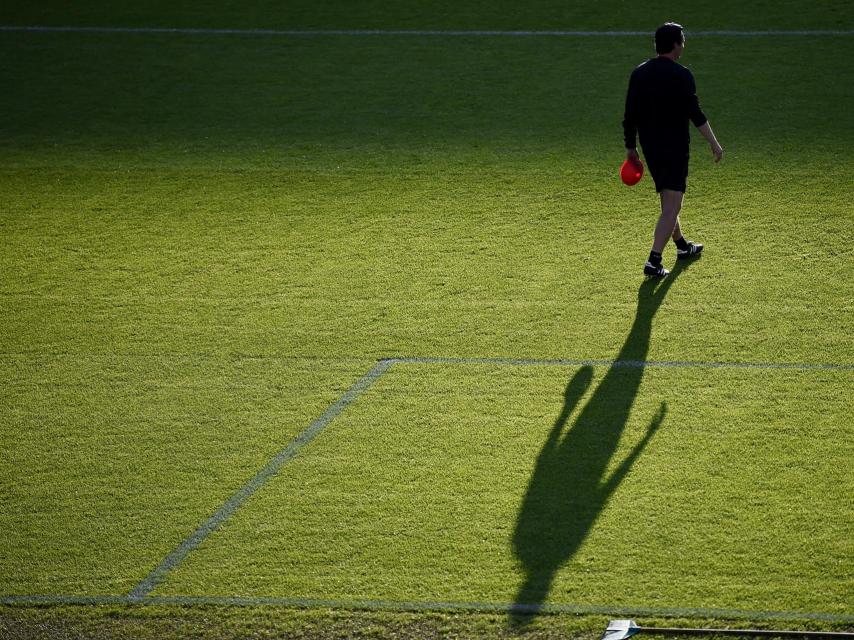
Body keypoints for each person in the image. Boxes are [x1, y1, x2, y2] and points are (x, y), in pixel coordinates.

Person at [622, 22, 724, 278]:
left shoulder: (639, 73)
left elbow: (629, 115)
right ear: (675, 45)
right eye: (683, 40)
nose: (684, 43)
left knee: (668, 200)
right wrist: (714, 142)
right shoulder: (682, 75)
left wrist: (630, 147)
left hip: (650, 148)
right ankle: (654, 260)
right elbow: (696, 115)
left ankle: (681, 246)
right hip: (675, 148)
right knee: (673, 205)